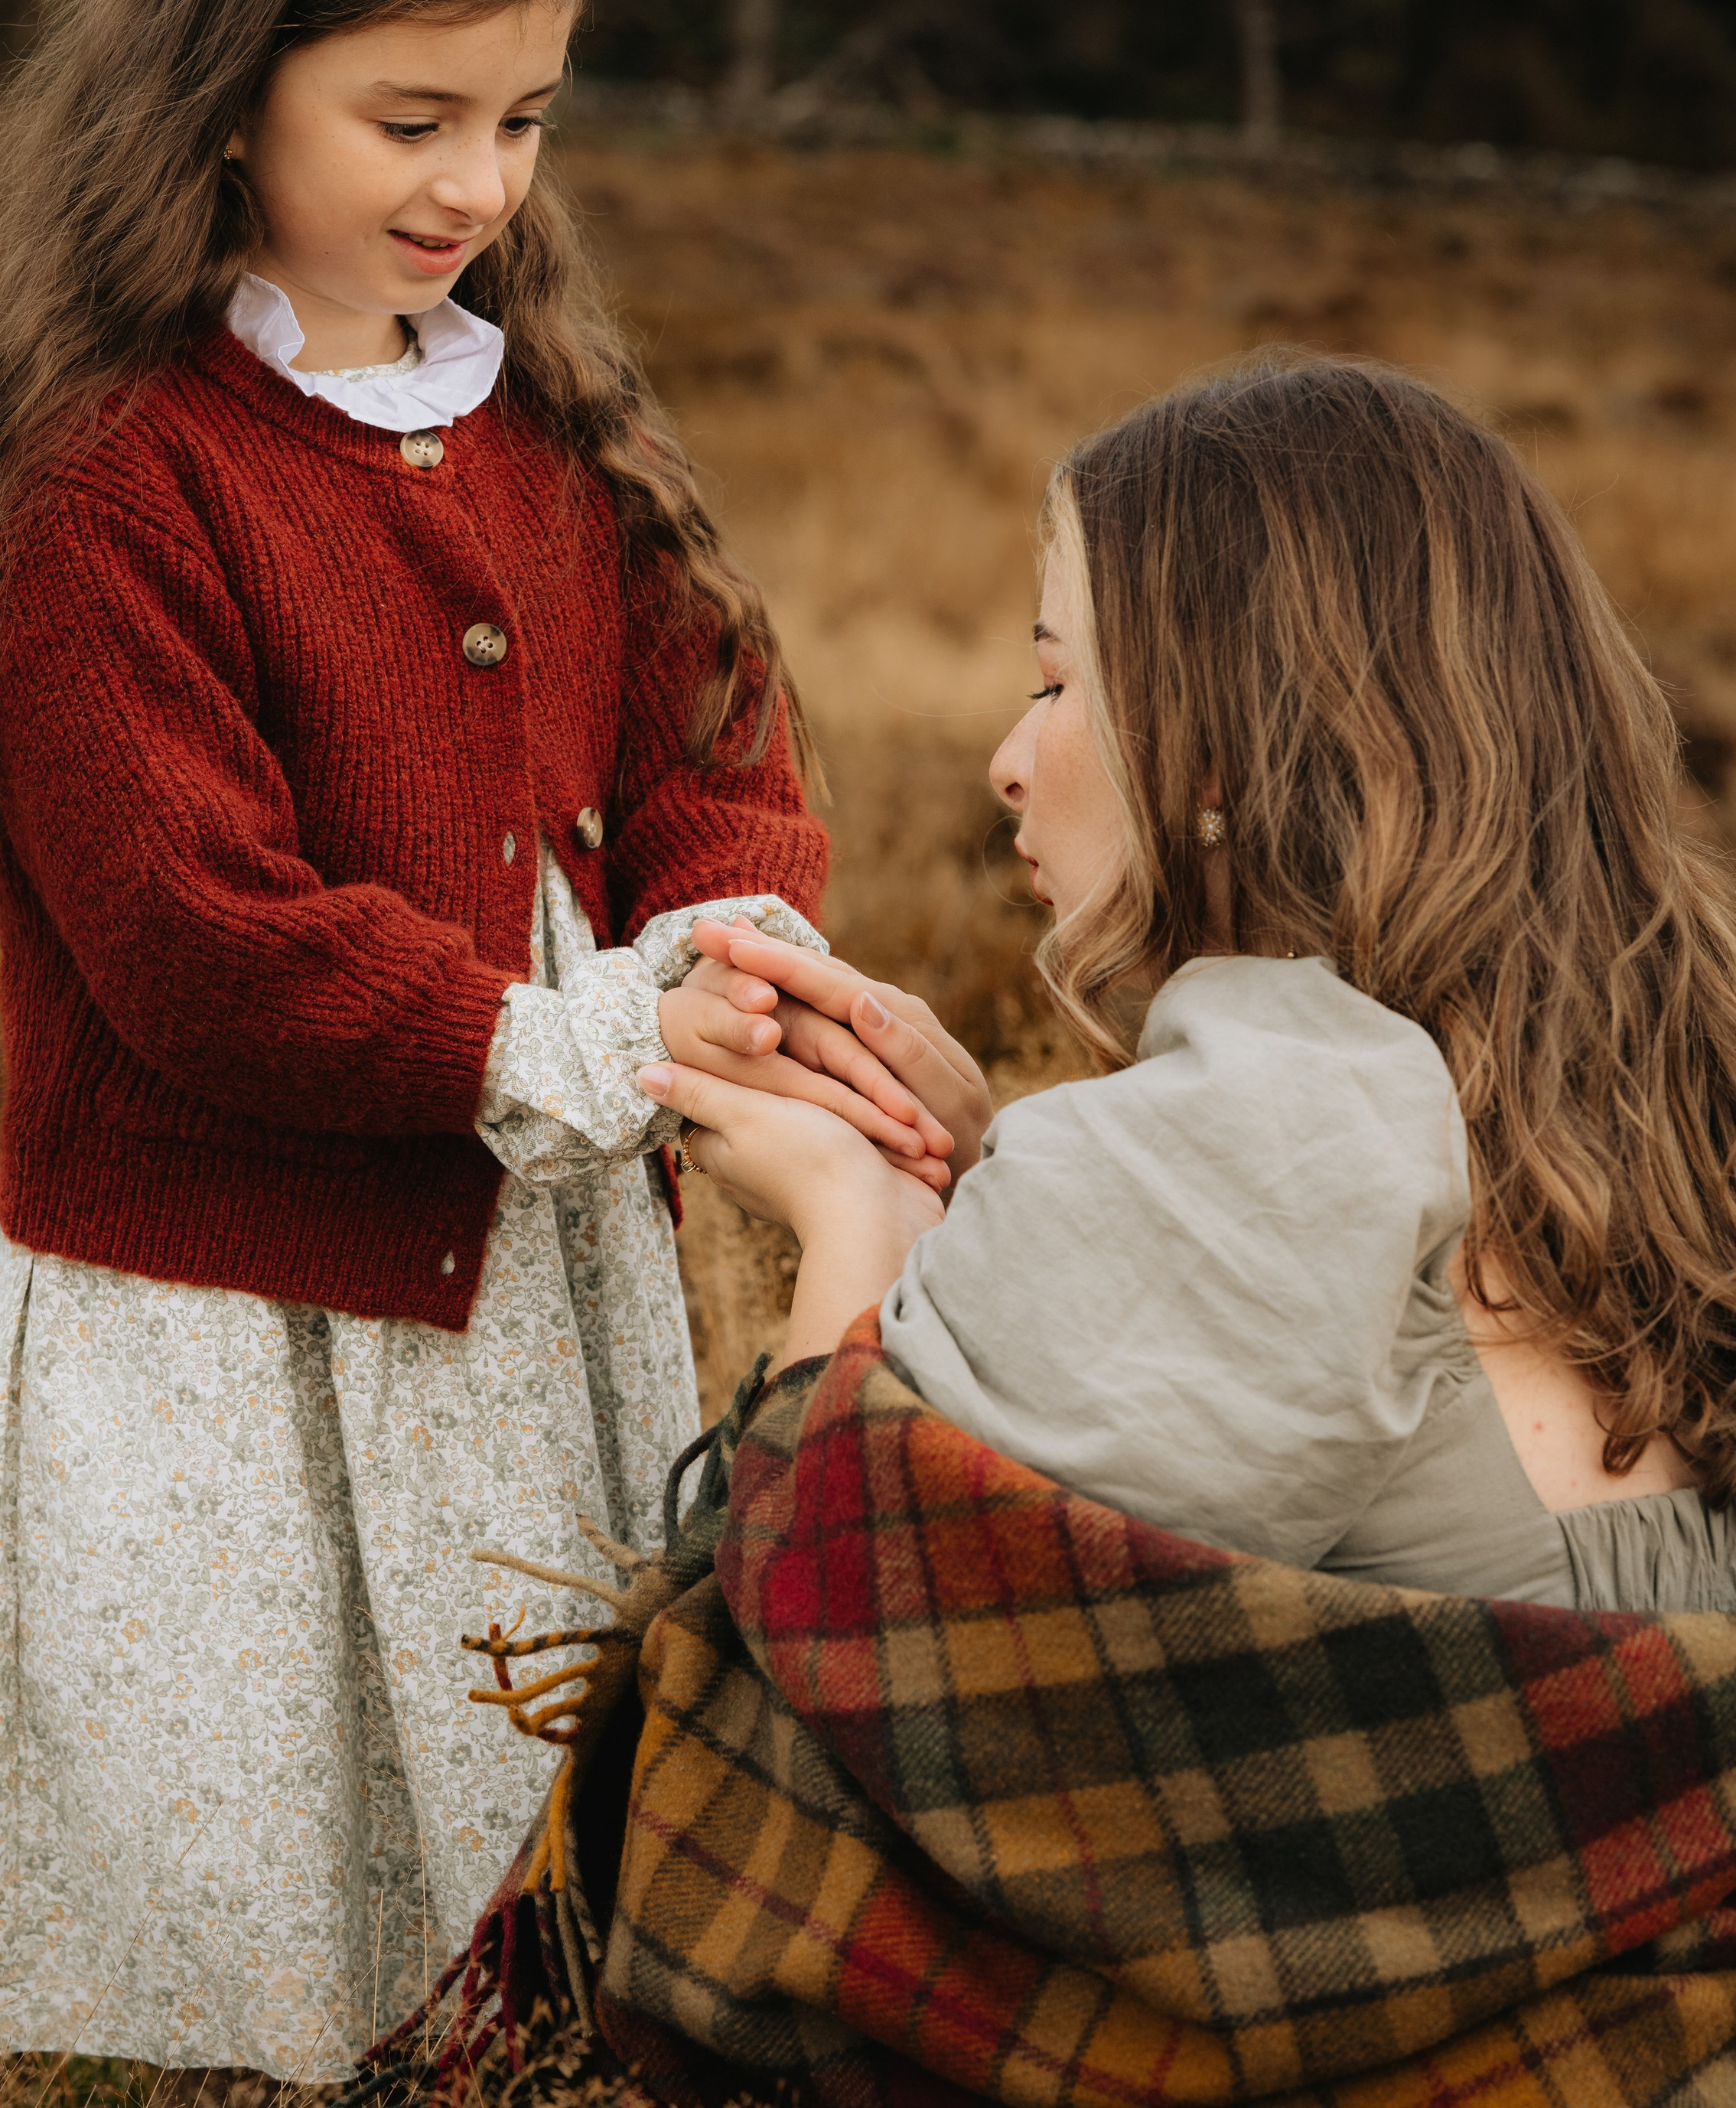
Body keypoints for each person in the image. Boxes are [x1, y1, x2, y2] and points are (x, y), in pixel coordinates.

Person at [0, 0, 953, 2108]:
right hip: (230, 1315)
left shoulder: (539, 408)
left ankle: (499, 2098)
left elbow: (709, 731)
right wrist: (586, 1049)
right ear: (228, 88)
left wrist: (730, 944)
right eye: (412, 119)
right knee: (254, 1871)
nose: (479, 180)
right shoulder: (110, 480)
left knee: (514, 1808)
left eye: (524, 118)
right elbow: (201, 937)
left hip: (532, 1283)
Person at [646, 356, 1736, 1616]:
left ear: (1212, 749)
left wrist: (857, 1213)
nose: (1009, 762)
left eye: (1056, 683)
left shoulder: (1269, 1132)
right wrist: (1005, 1187)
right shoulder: (1659, 1080)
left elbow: (820, 1657)